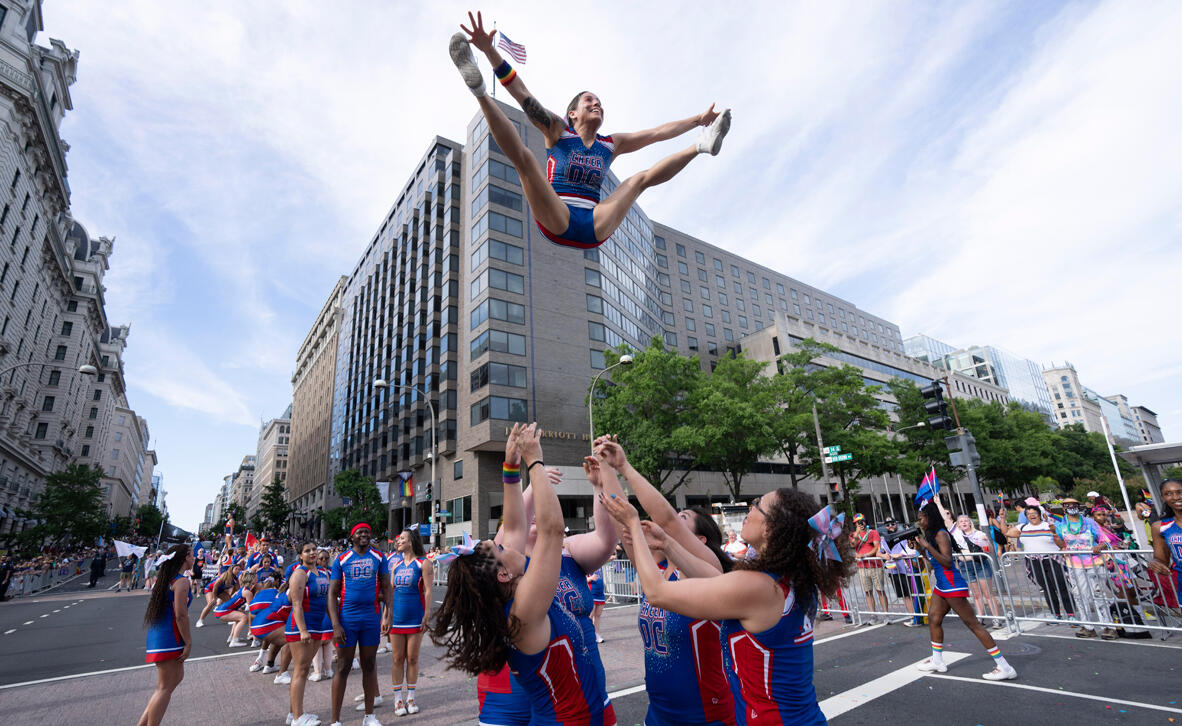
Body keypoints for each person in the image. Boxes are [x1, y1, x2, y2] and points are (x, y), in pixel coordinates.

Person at [449, 12, 731, 252]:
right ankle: (480, 91)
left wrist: (699, 120)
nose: (597, 104)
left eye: (599, 102)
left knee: (638, 181)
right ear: (572, 113)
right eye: (589, 101)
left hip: (595, 223)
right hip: (557, 215)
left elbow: (657, 133)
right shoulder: (557, 130)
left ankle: (701, 146)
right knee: (526, 161)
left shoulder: (611, 144)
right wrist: (488, 50)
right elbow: (521, 93)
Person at [602, 481, 843, 726]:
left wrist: (633, 525)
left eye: (757, 505)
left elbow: (656, 592)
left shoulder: (759, 586)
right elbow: (719, 582)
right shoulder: (789, 579)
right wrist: (666, 543)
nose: (751, 509)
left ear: (770, 529)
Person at [432, 423, 615, 726]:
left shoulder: (515, 592)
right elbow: (553, 530)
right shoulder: (524, 609)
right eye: (500, 549)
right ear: (502, 574)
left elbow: (516, 525)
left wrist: (511, 466)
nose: (507, 543)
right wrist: (536, 462)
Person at [594, 436, 736, 726]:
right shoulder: (656, 571)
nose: (668, 519)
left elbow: (667, 520)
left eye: (683, 516)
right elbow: (622, 525)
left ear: (699, 540)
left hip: (705, 715)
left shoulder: (708, 568)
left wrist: (625, 466)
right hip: (659, 713)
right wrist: (606, 467)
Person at [912, 497, 1017, 681]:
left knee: (973, 624)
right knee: (934, 618)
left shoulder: (941, 534)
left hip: (952, 584)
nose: (919, 522)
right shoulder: (931, 535)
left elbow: (946, 561)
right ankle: (937, 660)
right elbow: (934, 562)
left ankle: (1004, 666)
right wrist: (921, 551)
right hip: (942, 585)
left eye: (922, 518)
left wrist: (927, 546)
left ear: (931, 517)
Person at [327, 522, 391, 726]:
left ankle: (369, 716)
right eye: (360, 532)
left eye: (367, 532)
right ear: (352, 536)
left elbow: (387, 587)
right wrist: (336, 624)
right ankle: (335, 720)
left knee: (370, 665)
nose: (364, 535)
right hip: (347, 618)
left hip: (371, 618)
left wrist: (389, 614)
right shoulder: (342, 559)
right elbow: (332, 593)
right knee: (343, 666)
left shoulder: (379, 557)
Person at [137, 544, 194, 726]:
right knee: (164, 688)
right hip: (170, 637)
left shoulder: (166, 579)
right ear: (185, 557)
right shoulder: (181, 581)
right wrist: (188, 642)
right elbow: (181, 615)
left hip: (160, 635)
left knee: (170, 683)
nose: (194, 559)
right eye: (192, 555)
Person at [992, 505, 1076, 621]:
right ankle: (1055, 614)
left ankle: (1071, 614)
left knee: (1061, 586)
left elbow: (1062, 543)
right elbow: (1006, 532)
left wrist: (1056, 535)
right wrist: (1002, 518)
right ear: (1026, 516)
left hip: (1052, 559)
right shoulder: (1023, 527)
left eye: (1034, 513)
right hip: (1034, 561)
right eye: (1028, 513)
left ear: (1039, 514)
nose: (1032, 515)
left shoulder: (1049, 526)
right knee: (1047, 588)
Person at [386, 527, 433, 716]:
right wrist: (385, 616)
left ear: (411, 541)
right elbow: (390, 593)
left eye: (402, 539)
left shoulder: (423, 563)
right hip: (396, 619)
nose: (398, 542)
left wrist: (427, 613)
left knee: (412, 658)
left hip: (415, 618)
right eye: (398, 539)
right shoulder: (395, 566)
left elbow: (428, 590)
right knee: (397, 659)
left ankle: (411, 697)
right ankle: (398, 700)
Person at [1052, 497, 1113, 639]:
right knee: (1079, 595)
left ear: (1079, 507)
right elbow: (1061, 545)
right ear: (1064, 509)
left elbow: (1105, 541)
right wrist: (1055, 536)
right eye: (1067, 506)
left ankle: (1108, 627)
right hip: (1074, 565)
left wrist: (1099, 547)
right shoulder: (1061, 526)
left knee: (1098, 594)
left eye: (1074, 505)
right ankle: (1087, 627)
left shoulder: (1090, 523)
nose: (1071, 507)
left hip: (1094, 563)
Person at [286, 542, 331, 726]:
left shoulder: (322, 573)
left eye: (314, 550)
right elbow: (296, 604)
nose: (312, 553)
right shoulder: (299, 573)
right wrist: (303, 630)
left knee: (303, 670)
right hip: (301, 627)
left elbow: (327, 601)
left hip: (318, 625)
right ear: (300, 555)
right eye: (307, 551)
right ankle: (297, 718)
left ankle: (293, 713)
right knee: (301, 670)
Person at [951, 515, 1002, 623]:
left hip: (980, 564)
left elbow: (990, 550)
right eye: (961, 521)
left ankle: (996, 618)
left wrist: (986, 543)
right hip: (966, 566)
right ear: (958, 525)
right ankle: (980, 617)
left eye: (966, 521)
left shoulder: (979, 534)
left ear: (970, 523)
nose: (964, 523)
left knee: (987, 593)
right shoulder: (956, 536)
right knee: (976, 594)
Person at [881, 517, 925, 627]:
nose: (890, 526)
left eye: (892, 523)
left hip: (907, 569)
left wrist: (899, 555)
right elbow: (879, 552)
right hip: (894, 570)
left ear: (896, 524)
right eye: (887, 524)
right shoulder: (884, 539)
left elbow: (913, 549)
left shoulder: (905, 535)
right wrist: (884, 555)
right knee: (906, 595)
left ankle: (919, 616)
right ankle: (913, 617)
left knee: (914, 593)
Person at [1149, 479, 1182, 607]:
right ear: (1163, 497)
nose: (1175, 497)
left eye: (1180, 492)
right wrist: (1155, 563)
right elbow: (1161, 558)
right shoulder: (1160, 527)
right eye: (1168, 493)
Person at [851, 514, 890, 622]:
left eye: (862, 521)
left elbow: (876, 547)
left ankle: (886, 614)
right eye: (858, 523)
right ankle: (873, 615)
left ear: (865, 521)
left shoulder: (873, 532)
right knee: (868, 592)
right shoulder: (854, 535)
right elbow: (852, 545)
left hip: (875, 566)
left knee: (880, 590)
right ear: (855, 524)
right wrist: (857, 533)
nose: (861, 524)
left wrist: (865, 555)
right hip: (862, 568)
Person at [214, 570, 256, 646]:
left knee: (240, 616)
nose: (257, 580)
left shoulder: (243, 589)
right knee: (243, 617)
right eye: (255, 578)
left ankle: (232, 637)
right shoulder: (248, 592)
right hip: (223, 611)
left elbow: (233, 598)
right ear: (251, 580)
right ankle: (234, 641)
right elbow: (252, 607)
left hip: (222, 610)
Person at [587, 567, 606, 643]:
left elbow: (608, 558)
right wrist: (591, 578)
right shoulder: (587, 565)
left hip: (600, 593)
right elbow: (583, 579)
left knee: (598, 615)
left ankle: (597, 635)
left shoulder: (599, 563)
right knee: (590, 616)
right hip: (592, 593)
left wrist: (613, 556)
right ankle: (588, 635)